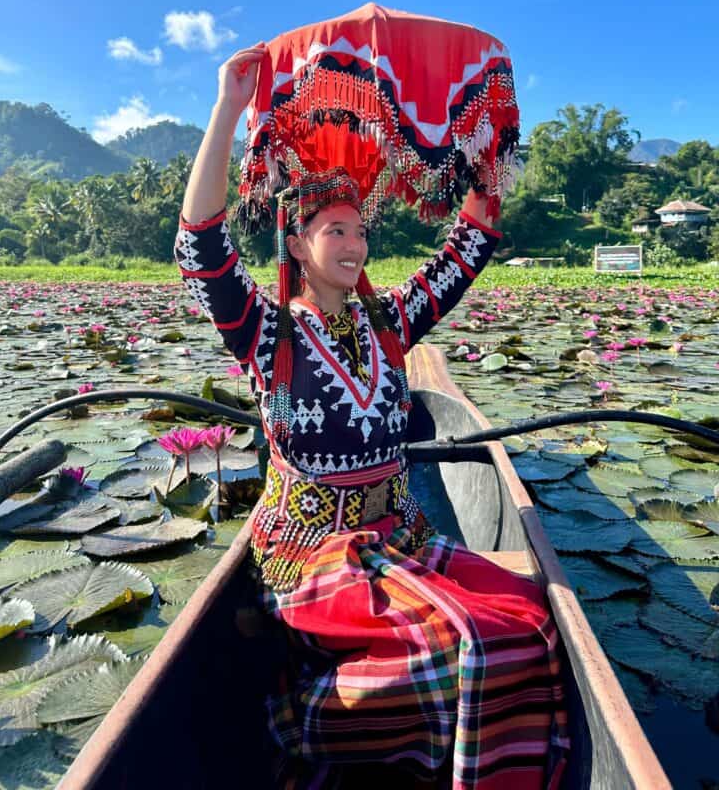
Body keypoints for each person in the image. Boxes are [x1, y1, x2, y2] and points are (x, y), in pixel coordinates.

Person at [174, 43, 569, 789]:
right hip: (310, 552)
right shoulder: (268, 334)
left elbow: (469, 246)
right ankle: (297, 719)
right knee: (468, 646)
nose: (355, 246)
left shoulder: (390, 322)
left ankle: (426, 746)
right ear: (297, 241)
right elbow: (201, 248)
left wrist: (486, 151)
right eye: (336, 232)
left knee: (530, 612)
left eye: (362, 232)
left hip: (400, 538)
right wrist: (228, 106)